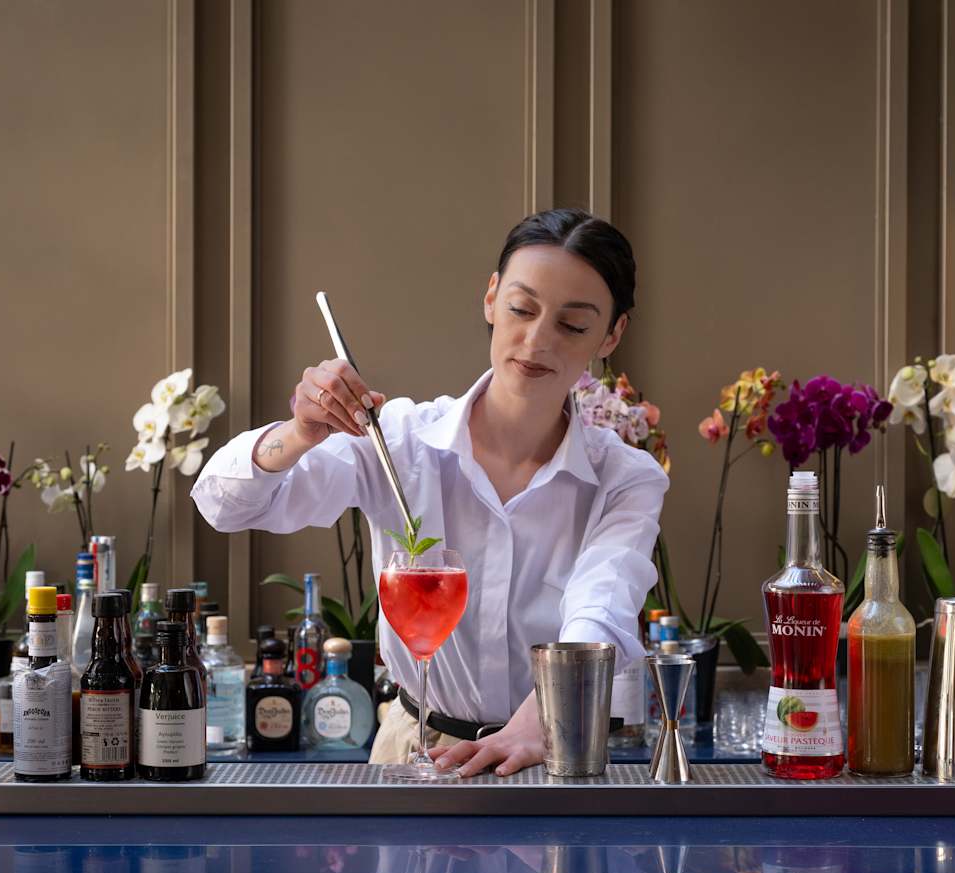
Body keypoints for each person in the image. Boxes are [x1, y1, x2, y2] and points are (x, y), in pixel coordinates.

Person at [191, 209, 666, 777]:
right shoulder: (396, 439)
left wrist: (541, 718)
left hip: (552, 749)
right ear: (491, 298)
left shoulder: (626, 478)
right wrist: (299, 433)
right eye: (521, 309)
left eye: (573, 325)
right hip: (414, 750)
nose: (537, 340)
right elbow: (223, 505)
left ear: (612, 334)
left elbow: (602, 607)